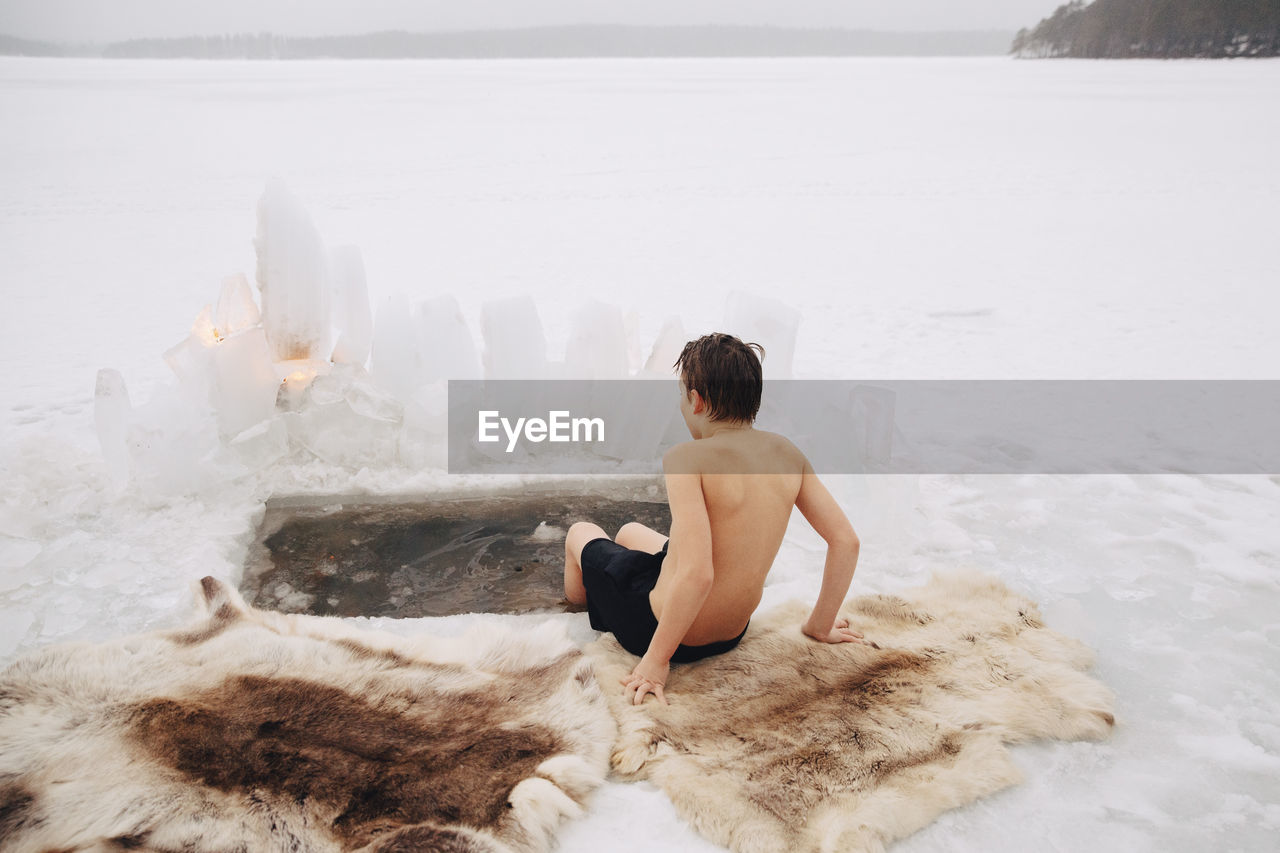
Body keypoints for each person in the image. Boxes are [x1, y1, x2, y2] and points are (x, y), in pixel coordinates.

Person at [563, 332, 864, 707]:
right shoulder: (787, 453)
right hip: (732, 631)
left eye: (681, 395)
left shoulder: (687, 458)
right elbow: (845, 541)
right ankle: (621, 574)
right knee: (630, 533)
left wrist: (655, 663)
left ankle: (579, 600)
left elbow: (698, 573)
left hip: (661, 630)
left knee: (581, 533)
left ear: (697, 400)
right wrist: (820, 623)